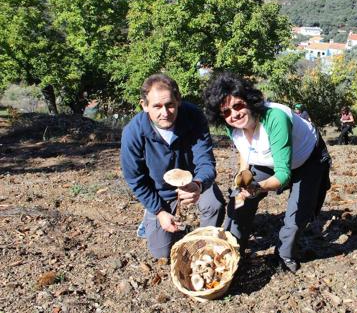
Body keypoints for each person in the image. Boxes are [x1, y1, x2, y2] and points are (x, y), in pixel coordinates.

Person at [204, 72, 331, 273]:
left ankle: (285, 256)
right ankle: (233, 250)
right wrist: (243, 178)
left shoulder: (275, 118)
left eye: (238, 105)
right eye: (226, 112)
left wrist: (257, 187)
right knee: (239, 200)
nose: (234, 115)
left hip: (308, 159)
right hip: (268, 159)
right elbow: (245, 149)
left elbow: (283, 175)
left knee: (297, 213)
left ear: (249, 100)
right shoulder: (233, 125)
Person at [121, 73, 225, 259]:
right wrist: (159, 211)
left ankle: (202, 245)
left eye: (170, 105)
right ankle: (151, 218)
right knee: (162, 253)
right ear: (144, 105)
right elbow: (135, 179)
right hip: (159, 191)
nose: (165, 112)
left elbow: (206, 161)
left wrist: (199, 184)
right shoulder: (133, 132)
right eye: (157, 106)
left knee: (214, 204)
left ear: (178, 100)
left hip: (192, 182)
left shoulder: (193, 117)